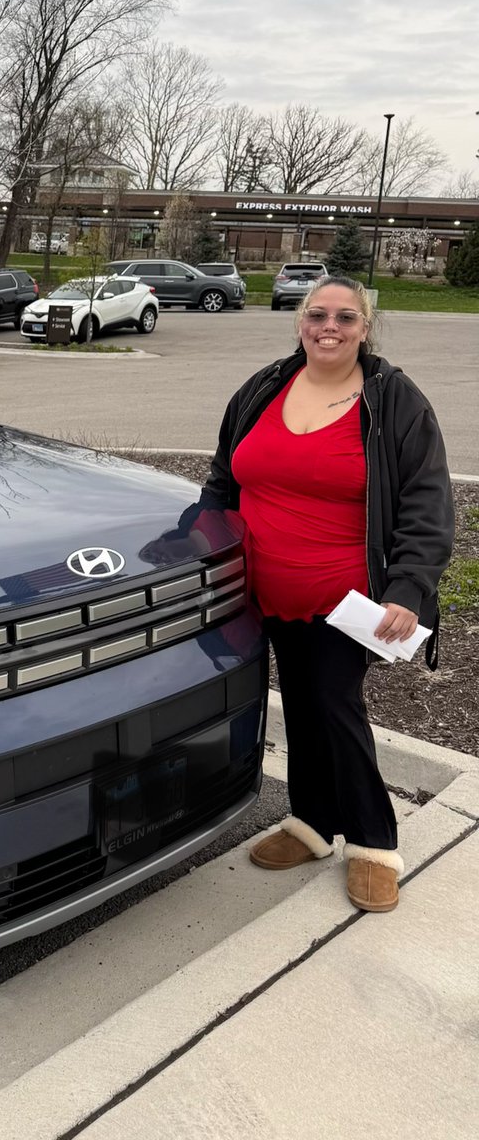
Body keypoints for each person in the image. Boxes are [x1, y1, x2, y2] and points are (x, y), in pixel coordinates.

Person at [193, 275, 454, 912]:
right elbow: (224, 477)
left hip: (347, 599)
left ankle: (373, 842)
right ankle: (311, 825)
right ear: (299, 322)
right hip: (263, 591)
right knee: (302, 705)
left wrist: (410, 585)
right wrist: (194, 540)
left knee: (335, 705)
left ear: (366, 328)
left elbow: (427, 501)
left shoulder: (393, 401)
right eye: (317, 315)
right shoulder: (264, 387)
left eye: (345, 317)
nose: (328, 327)